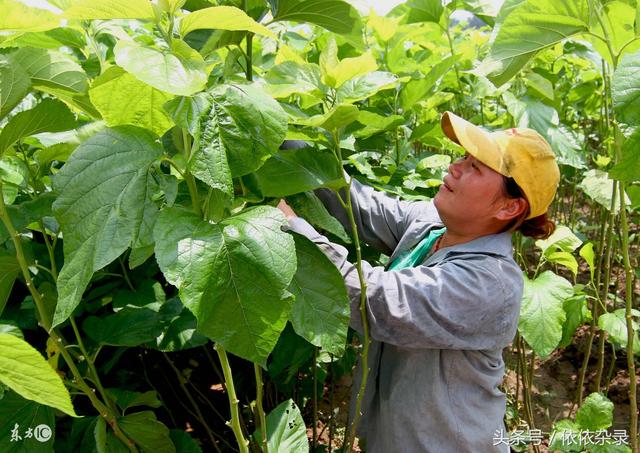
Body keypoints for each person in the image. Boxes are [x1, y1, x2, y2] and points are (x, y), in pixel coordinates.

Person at [277, 111, 560, 452]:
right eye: (464, 157)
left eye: (475, 167)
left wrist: (287, 226)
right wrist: (278, 131)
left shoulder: (489, 283)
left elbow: (371, 299)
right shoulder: (434, 227)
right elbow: (357, 205)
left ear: (508, 207)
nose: (456, 167)